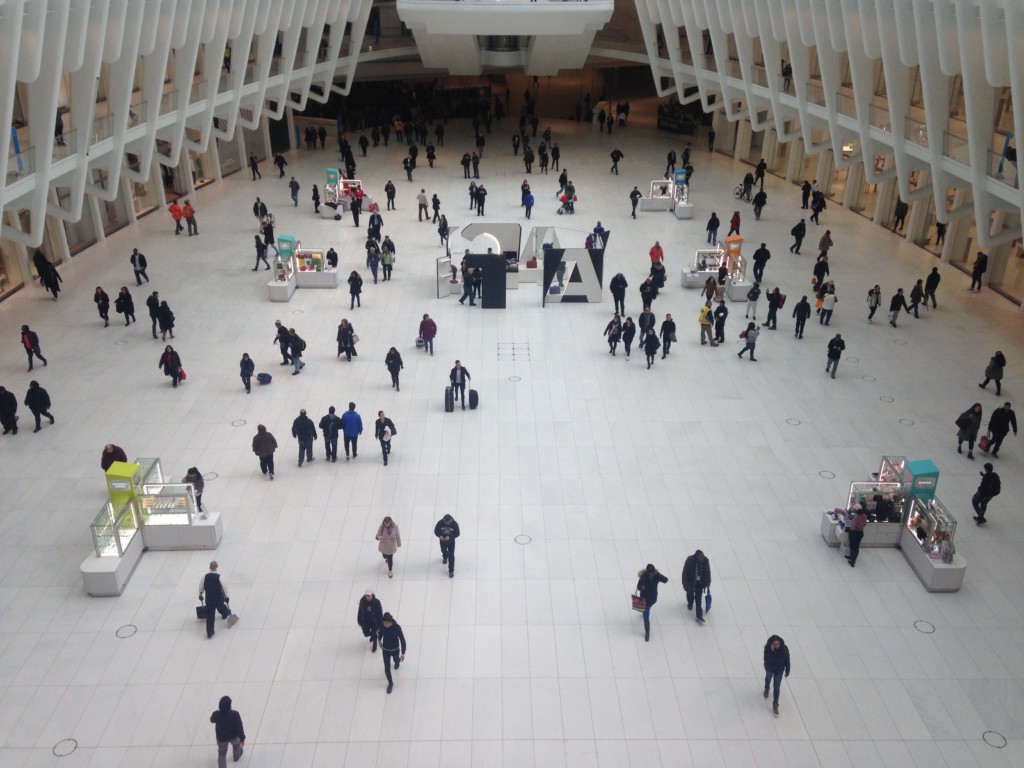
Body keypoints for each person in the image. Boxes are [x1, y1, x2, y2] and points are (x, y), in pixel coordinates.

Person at [199, 561, 238, 638]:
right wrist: (227, 597)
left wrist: (200, 593)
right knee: (221, 607)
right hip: (218, 597)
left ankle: (210, 632)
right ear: (217, 567)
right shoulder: (219, 577)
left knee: (210, 615)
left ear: (210, 567)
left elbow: (201, 586)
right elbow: (224, 587)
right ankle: (225, 614)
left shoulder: (205, 576)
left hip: (209, 598)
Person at [210, 695, 245, 768]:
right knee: (236, 745)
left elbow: (211, 720)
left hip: (221, 738)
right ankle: (236, 756)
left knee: (222, 754)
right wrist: (242, 738)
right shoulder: (235, 714)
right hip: (233, 737)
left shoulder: (216, 714)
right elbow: (239, 727)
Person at [635, 563, 668, 641]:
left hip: (652, 599)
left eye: (653, 572)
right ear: (647, 572)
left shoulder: (656, 576)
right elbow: (638, 586)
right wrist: (641, 587)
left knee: (646, 610)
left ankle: (643, 611)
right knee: (646, 615)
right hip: (644, 599)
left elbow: (665, 580)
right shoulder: (643, 578)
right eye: (650, 573)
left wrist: (659, 575)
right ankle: (647, 632)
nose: (652, 574)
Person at [378, 613, 406, 693]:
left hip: (395, 650)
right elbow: (380, 633)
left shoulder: (397, 628)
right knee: (387, 668)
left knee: (396, 660)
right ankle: (390, 683)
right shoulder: (382, 625)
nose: (385, 625)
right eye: (384, 623)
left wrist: (403, 653)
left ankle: (397, 663)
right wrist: (379, 640)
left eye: (386, 624)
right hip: (385, 650)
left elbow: (402, 640)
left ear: (390, 622)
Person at [681, 550, 711, 624]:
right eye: (701, 557)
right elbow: (685, 573)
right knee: (690, 594)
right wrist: (685, 584)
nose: (703, 558)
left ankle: (699, 615)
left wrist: (708, 581)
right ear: (697, 556)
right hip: (691, 582)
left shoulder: (706, 561)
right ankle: (690, 602)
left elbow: (708, 571)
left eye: (703, 556)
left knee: (698, 599)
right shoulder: (690, 560)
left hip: (700, 583)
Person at [763, 635, 791, 715]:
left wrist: (787, 670)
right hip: (770, 668)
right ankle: (767, 687)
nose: (777, 646)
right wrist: (772, 651)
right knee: (768, 678)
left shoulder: (784, 649)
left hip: (779, 670)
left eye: (778, 644)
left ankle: (775, 704)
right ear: (771, 644)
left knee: (776, 687)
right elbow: (766, 659)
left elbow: (787, 660)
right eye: (775, 644)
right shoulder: (768, 649)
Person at [434, 514, 460, 578]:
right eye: (445, 522)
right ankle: (445, 557)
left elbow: (457, 533)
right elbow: (436, 531)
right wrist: (440, 536)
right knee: (443, 551)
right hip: (442, 541)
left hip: (451, 542)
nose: (446, 523)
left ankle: (451, 571)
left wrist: (450, 537)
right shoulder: (440, 523)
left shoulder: (454, 524)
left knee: (451, 556)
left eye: (447, 522)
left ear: (450, 520)